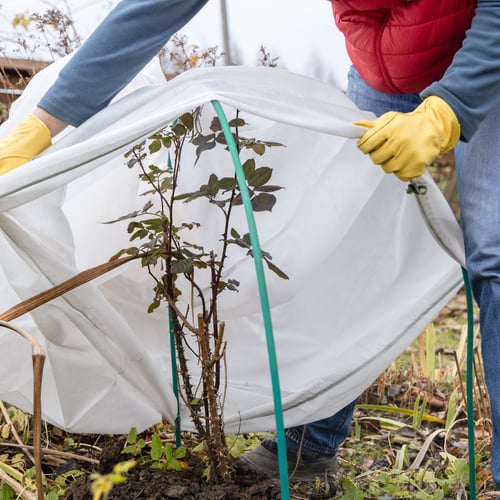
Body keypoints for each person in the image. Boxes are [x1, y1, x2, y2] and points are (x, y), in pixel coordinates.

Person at [1, 0, 499, 487]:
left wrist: (447, 111)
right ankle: (308, 447)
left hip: (487, 51)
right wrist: (42, 124)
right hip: (387, 65)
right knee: (338, 229)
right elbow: (158, 6)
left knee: (494, 257)